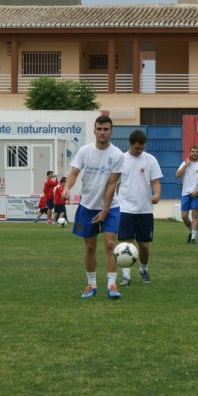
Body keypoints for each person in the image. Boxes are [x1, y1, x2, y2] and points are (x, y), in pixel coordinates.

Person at [62, 115, 124, 299]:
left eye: (106, 129)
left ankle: (112, 285)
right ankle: (91, 285)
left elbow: (112, 185)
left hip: (110, 207)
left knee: (111, 244)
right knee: (89, 246)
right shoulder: (84, 151)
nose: (102, 132)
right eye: (99, 129)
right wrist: (66, 187)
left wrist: (105, 210)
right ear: (94, 130)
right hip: (87, 205)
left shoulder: (117, 155)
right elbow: (73, 173)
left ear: (111, 131)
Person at [117, 130, 163, 286]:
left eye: (141, 148)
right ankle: (126, 276)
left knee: (143, 245)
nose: (139, 151)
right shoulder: (121, 160)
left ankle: (143, 269)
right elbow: (115, 184)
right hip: (125, 208)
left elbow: (156, 181)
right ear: (131, 145)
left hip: (144, 210)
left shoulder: (150, 160)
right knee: (126, 244)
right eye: (136, 148)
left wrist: (157, 194)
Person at [176, 144, 198, 244]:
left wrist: (197, 191)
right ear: (190, 152)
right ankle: (191, 231)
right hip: (185, 193)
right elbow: (177, 175)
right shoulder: (185, 163)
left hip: (197, 193)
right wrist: (186, 165)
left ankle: (193, 238)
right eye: (193, 151)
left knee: (195, 215)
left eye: (196, 151)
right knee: (184, 216)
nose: (194, 153)